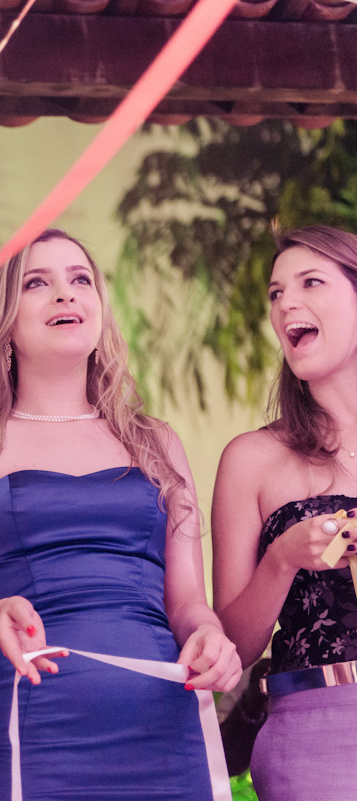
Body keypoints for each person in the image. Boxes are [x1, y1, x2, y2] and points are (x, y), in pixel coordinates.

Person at [0, 229, 240, 799]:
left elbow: (187, 602)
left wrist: (211, 637)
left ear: (99, 309)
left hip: (164, 723)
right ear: (5, 319)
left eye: (80, 279)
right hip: (30, 725)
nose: (65, 293)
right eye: (37, 283)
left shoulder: (156, 442)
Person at [212, 225, 357, 799]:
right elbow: (233, 646)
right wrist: (283, 558)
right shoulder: (252, 459)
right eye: (276, 293)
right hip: (317, 737)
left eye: (310, 283)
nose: (286, 303)